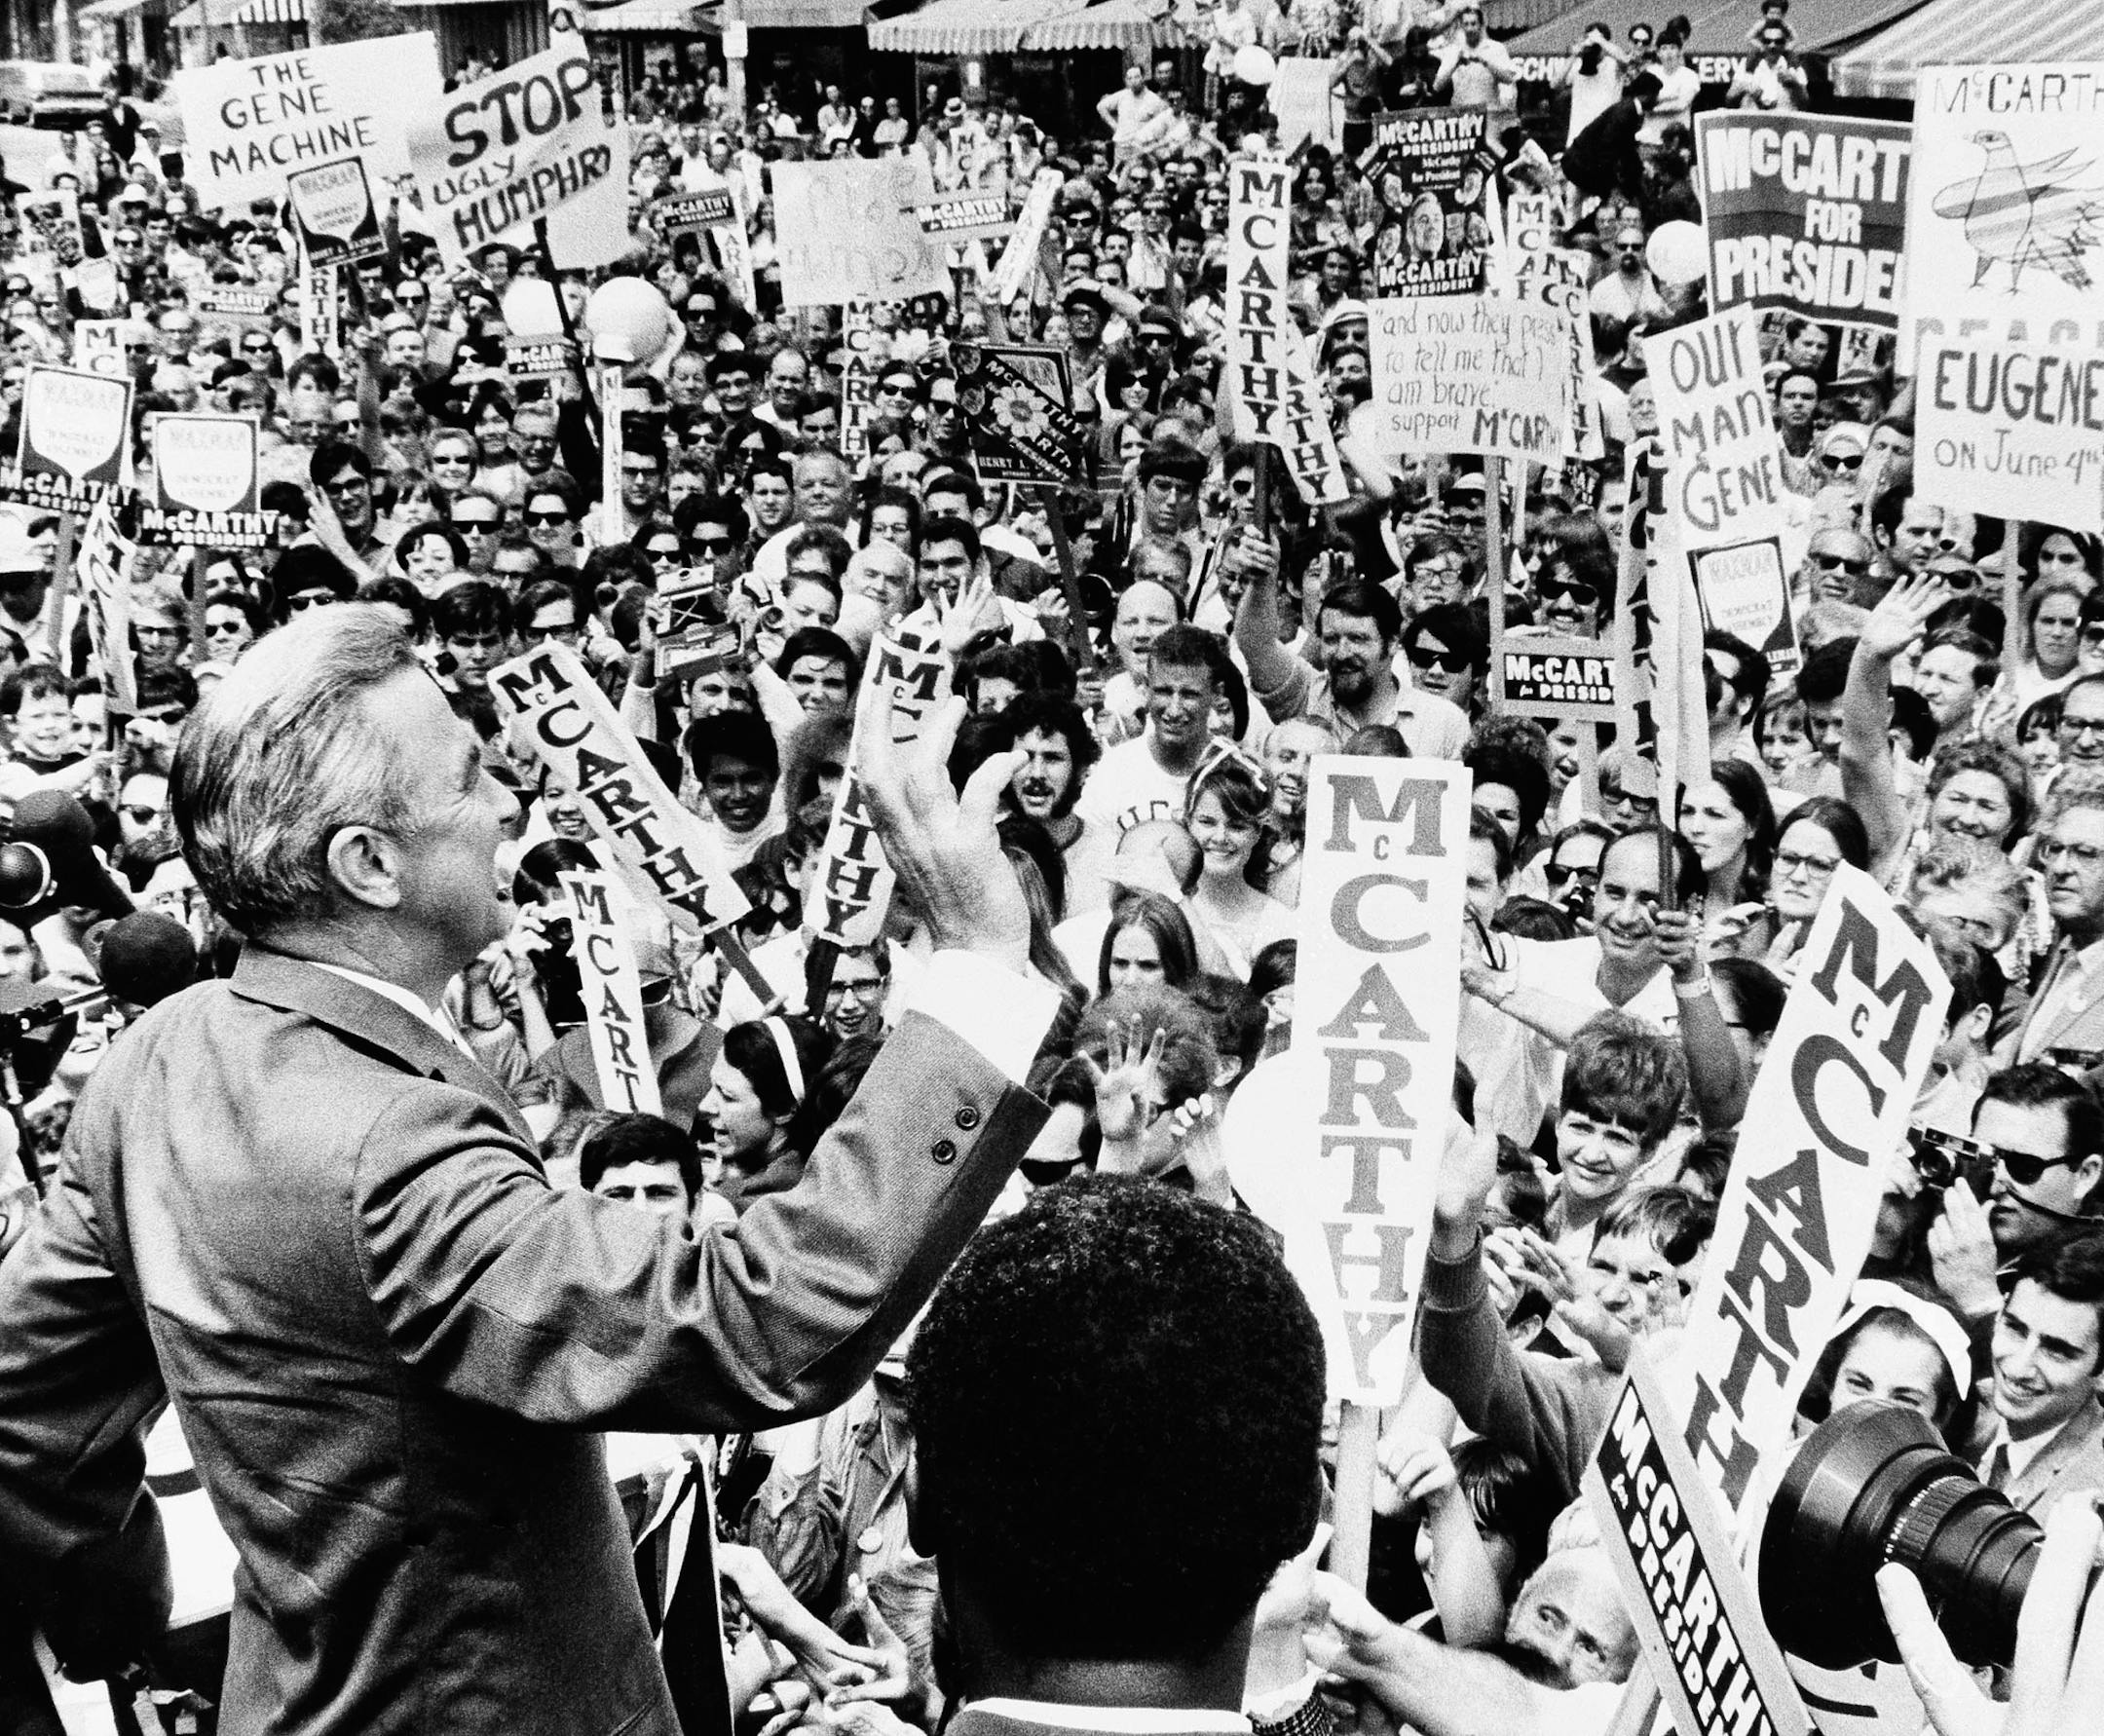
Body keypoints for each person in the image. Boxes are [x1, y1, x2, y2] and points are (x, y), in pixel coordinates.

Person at [0, 608, 1064, 1734]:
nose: (511, 802)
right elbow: (759, 1322)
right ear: (369, 864)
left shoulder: (160, 1057)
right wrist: (982, 966)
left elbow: (24, 1427)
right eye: (470, 780)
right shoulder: (393, 1149)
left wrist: (121, 1622)